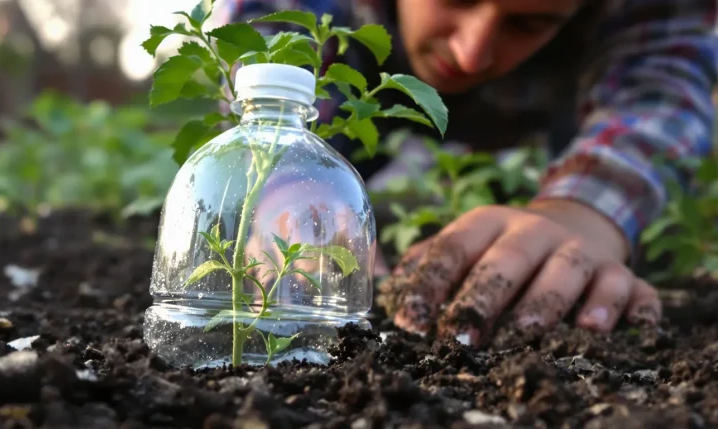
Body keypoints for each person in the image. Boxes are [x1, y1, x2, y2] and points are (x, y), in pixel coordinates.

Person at [214, 0, 717, 347]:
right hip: (362, 70)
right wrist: (287, 192)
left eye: (527, 23)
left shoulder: (640, 13)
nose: (470, 52)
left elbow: (660, 96)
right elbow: (266, 73)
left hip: (555, 91)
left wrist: (582, 217)